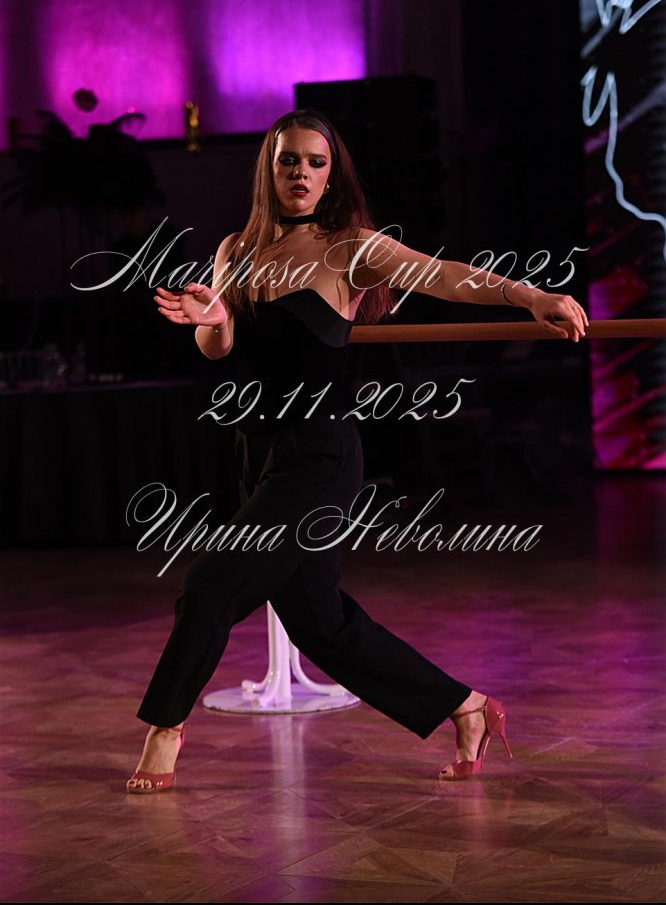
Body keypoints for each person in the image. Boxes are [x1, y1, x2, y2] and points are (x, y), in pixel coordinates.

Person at [126, 108, 588, 793]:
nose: (302, 173)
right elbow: (217, 349)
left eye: (316, 163)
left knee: (210, 585)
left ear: (332, 174)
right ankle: (466, 706)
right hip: (255, 454)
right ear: (269, 170)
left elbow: (445, 275)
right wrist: (215, 319)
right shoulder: (235, 250)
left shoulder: (350, 248)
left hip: (319, 458)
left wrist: (529, 295)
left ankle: (164, 729)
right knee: (323, 626)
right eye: (289, 161)